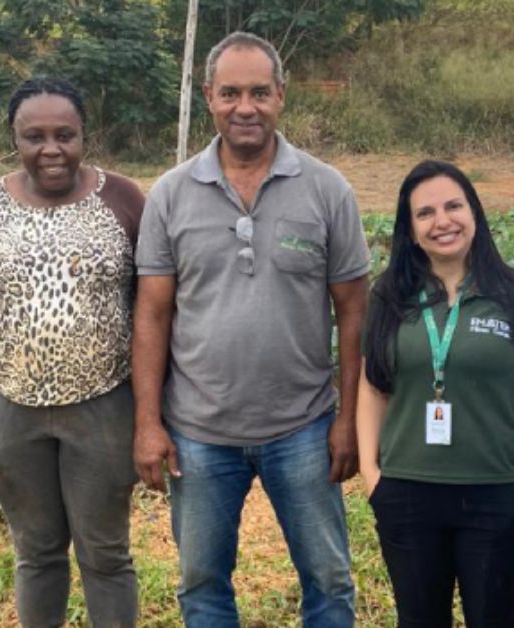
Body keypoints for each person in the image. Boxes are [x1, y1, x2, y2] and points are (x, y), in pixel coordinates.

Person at [132, 32, 366, 627]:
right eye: (231, 92)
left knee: (330, 581)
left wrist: (348, 420)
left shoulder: (325, 189)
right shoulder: (171, 194)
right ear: (208, 96)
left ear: (281, 95)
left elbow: (354, 311)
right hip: (199, 435)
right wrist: (149, 424)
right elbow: (152, 315)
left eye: (259, 92)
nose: (246, 107)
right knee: (202, 584)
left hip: (304, 429)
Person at [0, 76, 145, 627]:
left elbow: (151, 305)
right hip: (10, 406)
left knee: (105, 553)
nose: (51, 149)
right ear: (15, 138)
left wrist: (151, 404)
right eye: (34, 136)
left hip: (103, 405)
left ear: (85, 135)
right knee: (36, 554)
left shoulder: (123, 199)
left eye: (65, 134)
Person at [357, 160, 514, 627]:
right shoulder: (388, 296)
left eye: (453, 206)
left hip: (494, 492)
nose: (442, 221)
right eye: (424, 213)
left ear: (475, 213)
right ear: (409, 228)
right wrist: (372, 474)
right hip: (406, 493)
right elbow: (372, 387)